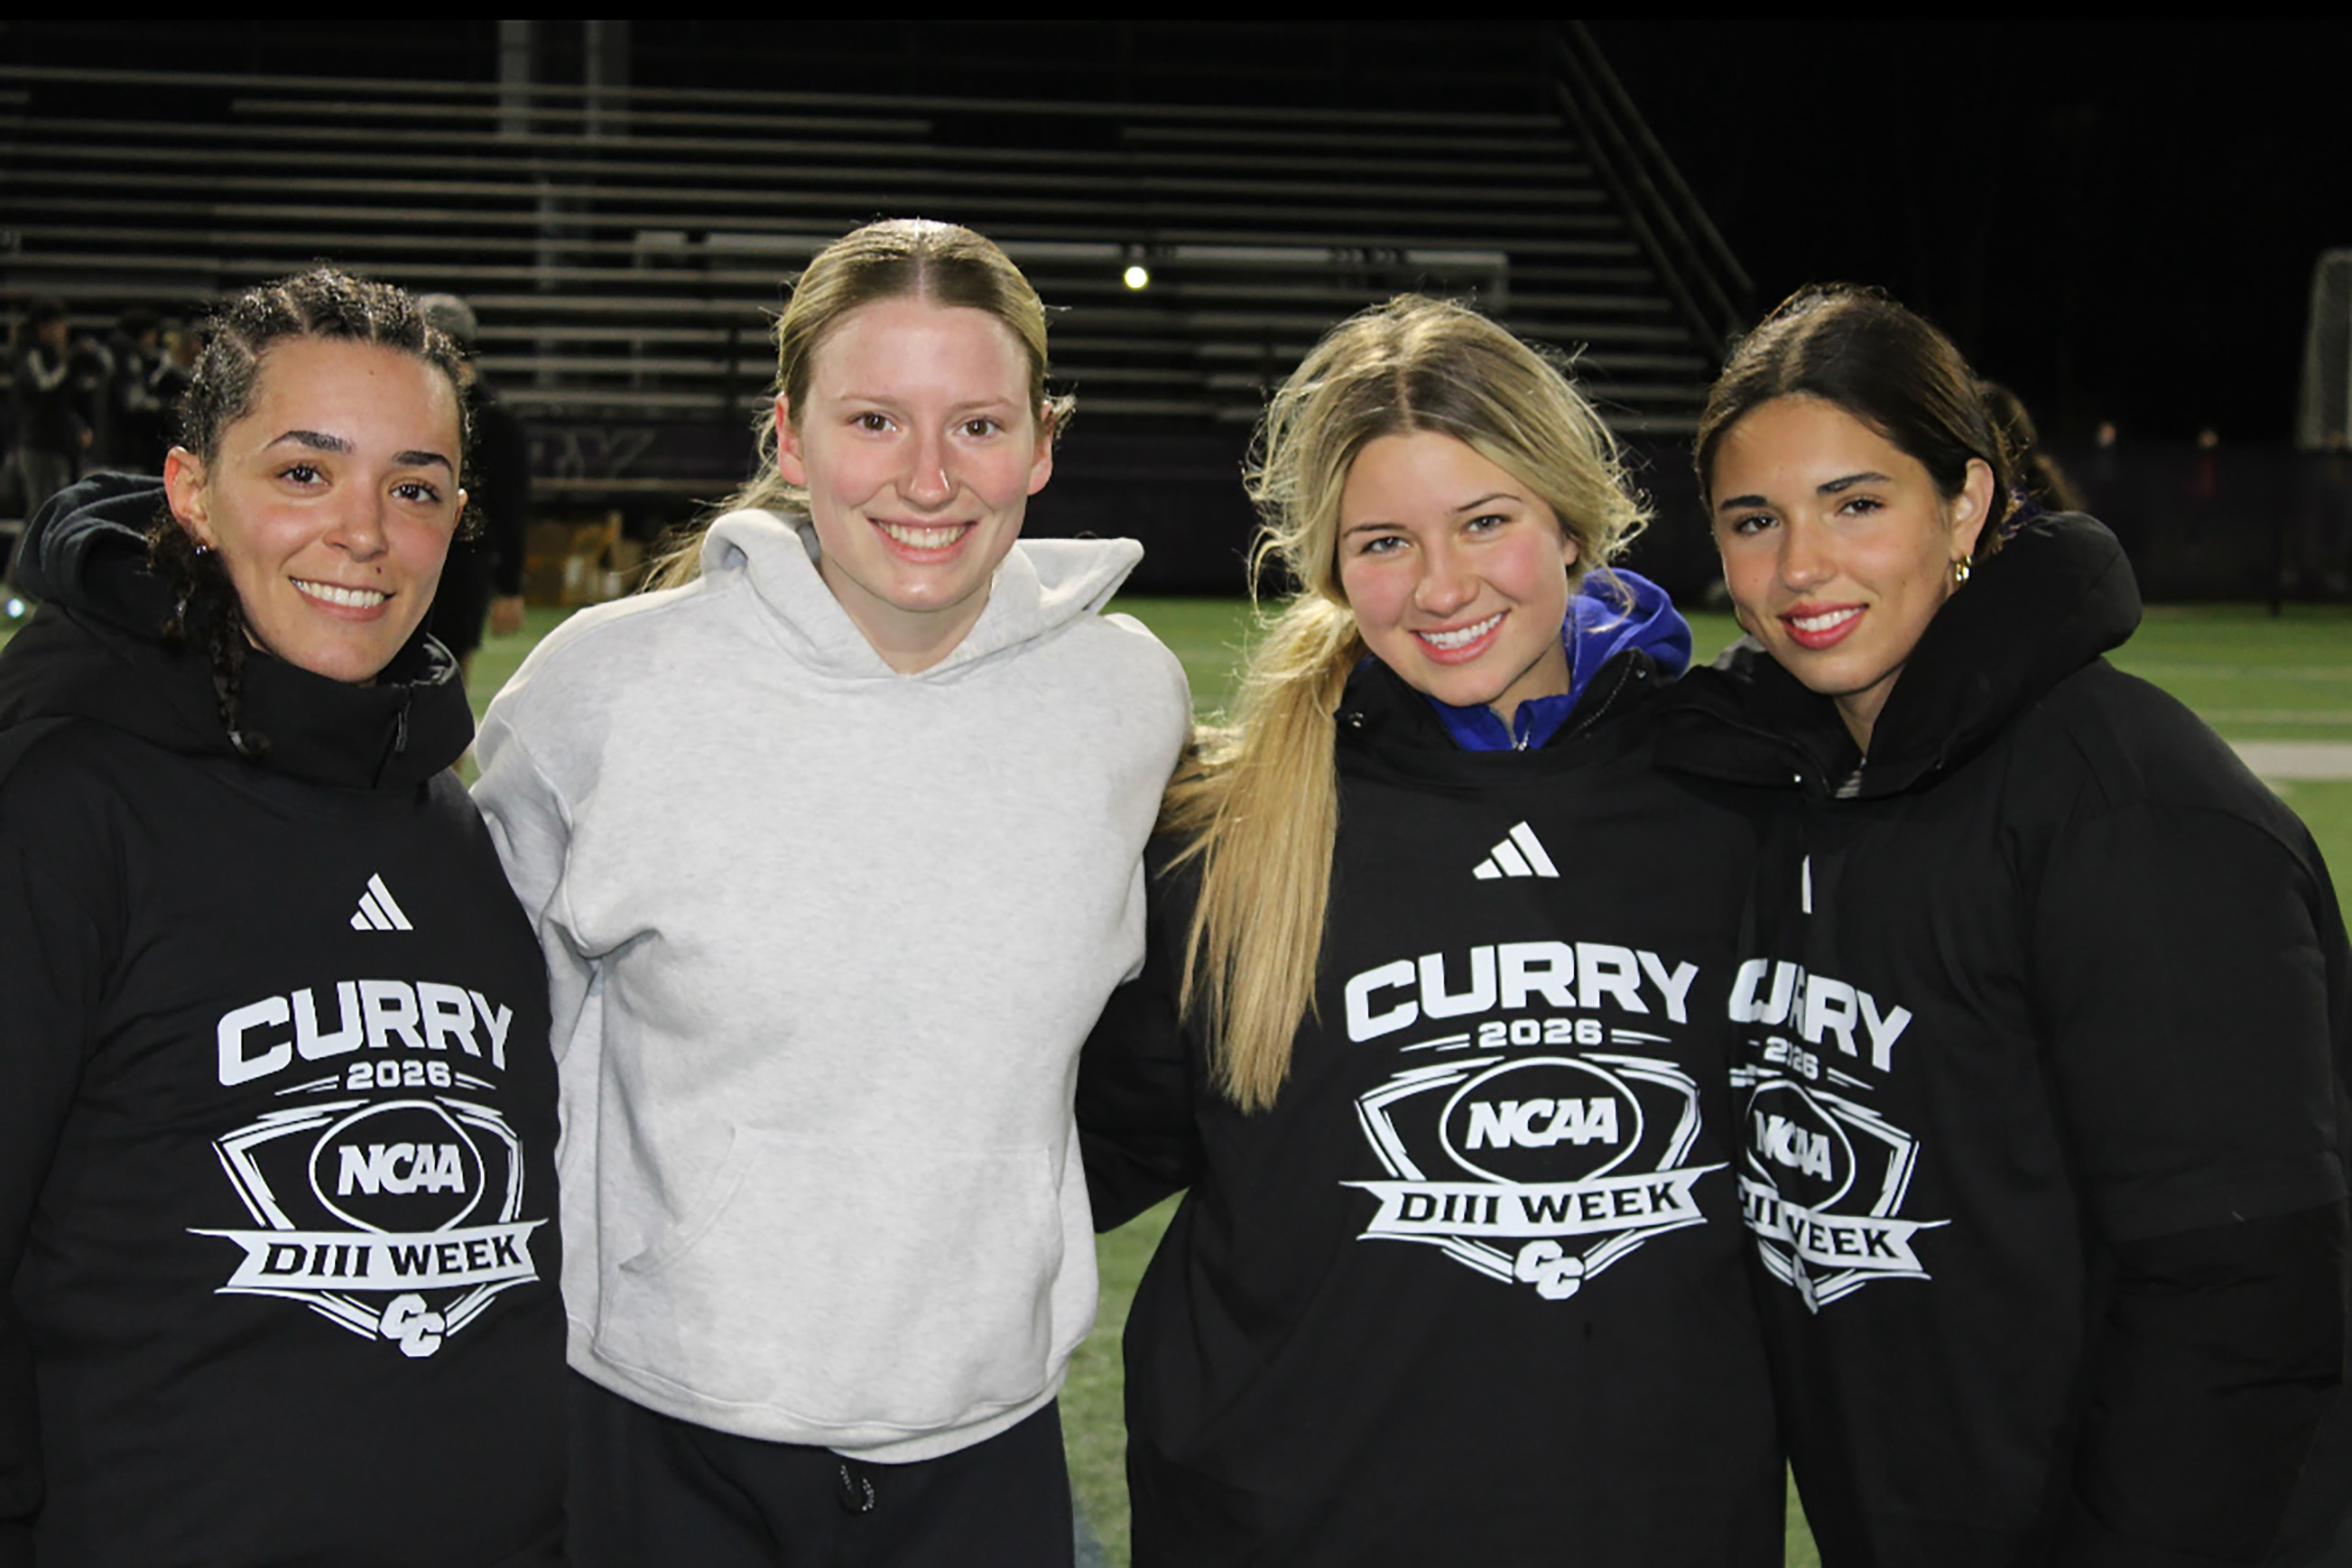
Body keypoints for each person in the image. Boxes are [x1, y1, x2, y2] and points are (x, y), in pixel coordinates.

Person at [469, 218, 1190, 1568]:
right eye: (873, 420)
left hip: (987, 1439)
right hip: (657, 1432)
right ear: (791, 443)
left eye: (976, 425)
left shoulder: (1125, 697)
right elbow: (492, 1051)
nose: (927, 477)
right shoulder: (603, 691)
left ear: (1041, 444)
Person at [1076, 295, 1783, 1566]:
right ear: (1334, 566)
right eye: (1387, 541)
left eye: (1487, 522)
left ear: (1569, 522)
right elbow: (1067, 1158)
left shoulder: (1737, 798)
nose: (1443, 585)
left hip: (1649, 1525)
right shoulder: (1225, 829)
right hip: (1290, 1524)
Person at [1665, 283, 2352, 1566]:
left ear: (1967, 502)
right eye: (1754, 520)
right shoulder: (1804, 792)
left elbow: (2245, 1298)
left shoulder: (2129, 806)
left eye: (1857, 504)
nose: (1801, 567)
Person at [0, 269, 565, 1564]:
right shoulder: (63, 800)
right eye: (304, 473)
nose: (363, 532)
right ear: (193, 493)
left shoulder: (455, 826)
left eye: (413, 487)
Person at [416, 294, 531, 683]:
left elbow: (509, 507)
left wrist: (510, 587)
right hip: (416, 556)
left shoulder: (495, 421)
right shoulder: (407, 410)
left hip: (462, 563)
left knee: (446, 674)